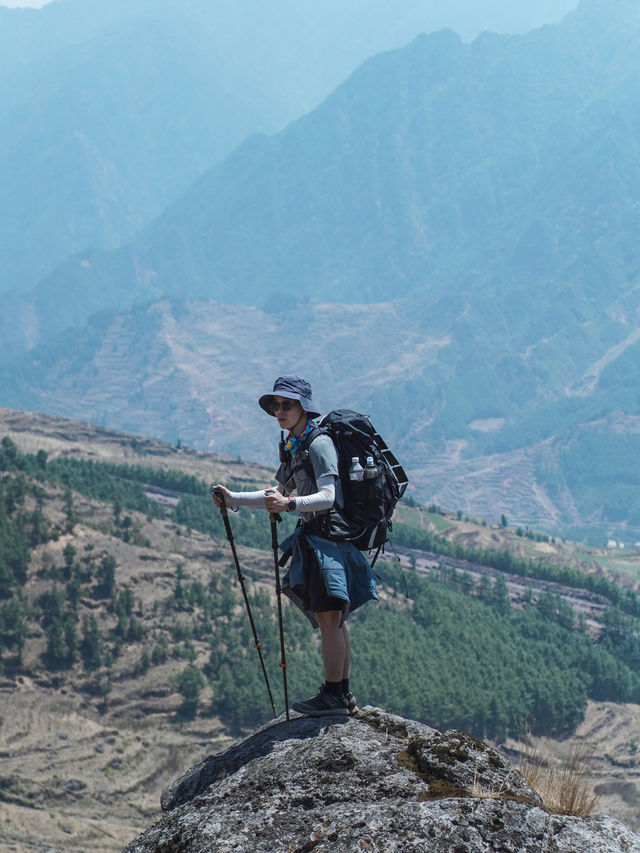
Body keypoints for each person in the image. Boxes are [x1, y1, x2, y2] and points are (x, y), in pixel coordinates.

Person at [212, 375, 379, 717]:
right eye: (276, 405)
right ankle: (342, 693)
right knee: (334, 619)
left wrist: (290, 506)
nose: (280, 411)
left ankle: (334, 695)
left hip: (328, 543)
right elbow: (276, 494)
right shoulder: (294, 445)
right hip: (322, 541)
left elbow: (328, 497)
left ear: (304, 406)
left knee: (330, 620)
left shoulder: (317, 445)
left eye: (287, 404)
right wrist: (235, 499)